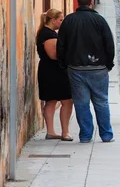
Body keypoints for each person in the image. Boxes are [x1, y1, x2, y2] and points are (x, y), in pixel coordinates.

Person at [57, 0, 116, 143]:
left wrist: (64, 64)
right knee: (101, 101)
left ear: (78, 2)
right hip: (98, 68)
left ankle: (85, 135)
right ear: (91, 2)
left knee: (81, 103)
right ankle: (106, 134)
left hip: (76, 69)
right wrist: (108, 64)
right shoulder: (100, 21)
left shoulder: (69, 21)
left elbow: (61, 45)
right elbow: (109, 44)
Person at [36, 9, 74, 141]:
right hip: (54, 71)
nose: (62, 22)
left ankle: (51, 131)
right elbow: (53, 55)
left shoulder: (45, 33)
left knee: (51, 101)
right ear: (53, 21)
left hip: (48, 70)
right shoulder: (49, 35)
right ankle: (65, 132)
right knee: (67, 101)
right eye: (60, 20)